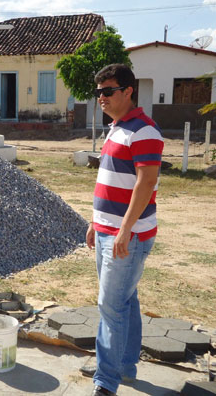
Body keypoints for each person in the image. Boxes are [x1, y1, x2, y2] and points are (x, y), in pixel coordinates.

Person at [84, 64, 164, 396]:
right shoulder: (116, 128)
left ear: (128, 91)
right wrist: (95, 222)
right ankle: (124, 366)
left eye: (108, 91)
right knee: (125, 301)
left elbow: (145, 184)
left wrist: (124, 230)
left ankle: (106, 381)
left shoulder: (144, 131)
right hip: (108, 231)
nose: (100, 97)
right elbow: (110, 180)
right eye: (98, 92)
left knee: (111, 305)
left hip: (127, 237)